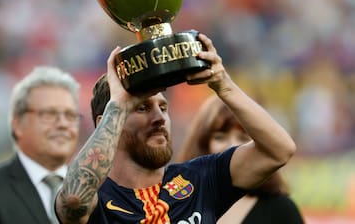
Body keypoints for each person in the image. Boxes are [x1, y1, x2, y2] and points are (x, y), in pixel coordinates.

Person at [55, 33, 297, 223]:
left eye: (163, 107)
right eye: (141, 108)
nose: (159, 117)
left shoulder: (202, 179)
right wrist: (118, 105)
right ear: (106, 123)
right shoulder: (99, 200)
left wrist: (224, 85)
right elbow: (75, 200)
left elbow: (279, 150)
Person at [0, 66, 82, 224]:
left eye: (70, 115)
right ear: (18, 124)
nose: (63, 123)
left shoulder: (95, 191)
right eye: (49, 114)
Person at [177, 95, 305, 224]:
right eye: (220, 137)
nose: (232, 146)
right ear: (203, 144)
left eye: (243, 138)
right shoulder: (178, 206)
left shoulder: (282, 210)